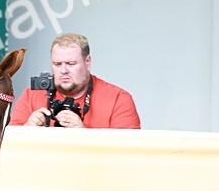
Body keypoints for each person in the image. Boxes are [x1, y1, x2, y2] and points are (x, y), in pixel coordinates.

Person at [10, 33, 141, 129]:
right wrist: (26, 129)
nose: (63, 70)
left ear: (87, 62)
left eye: (71, 64)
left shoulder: (118, 99)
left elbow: (128, 155)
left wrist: (83, 135)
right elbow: (8, 146)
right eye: (57, 64)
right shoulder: (30, 96)